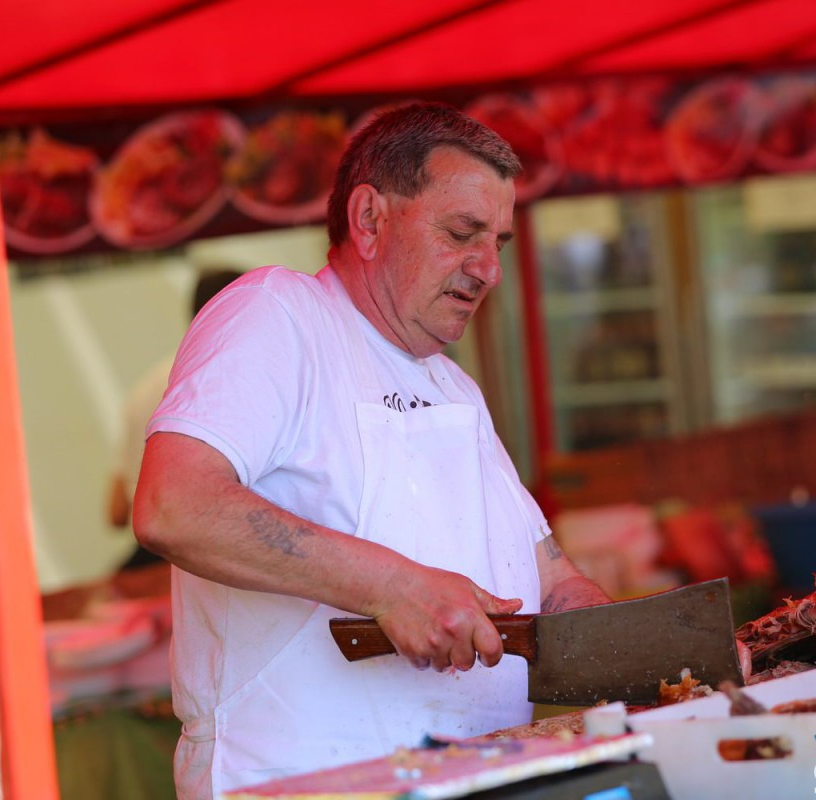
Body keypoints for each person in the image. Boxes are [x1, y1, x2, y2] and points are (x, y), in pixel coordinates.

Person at [133, 102, 610, 797]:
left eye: (499, 243)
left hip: (473, 775)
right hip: (306, 781)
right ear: (369, 220)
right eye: (462, 233)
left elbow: (549, 576)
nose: (489, 270)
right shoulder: (279, 314)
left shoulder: (453, 387)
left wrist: (626, 638)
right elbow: (173, 506)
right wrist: (393, 587)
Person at [106, 268, 242, 572]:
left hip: (152, 556)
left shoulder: (144, 387)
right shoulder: (231, 378)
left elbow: (116, 512)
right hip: (210, 557)